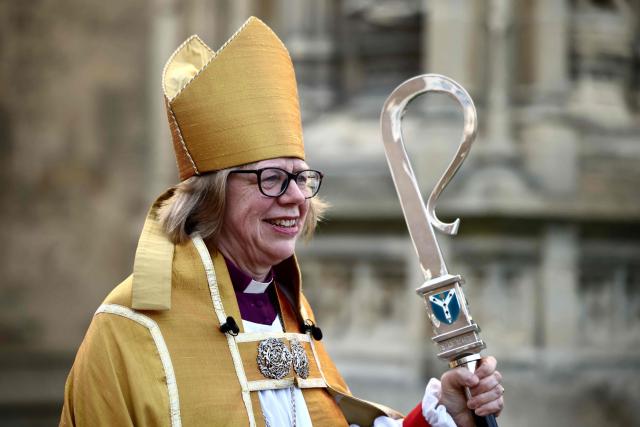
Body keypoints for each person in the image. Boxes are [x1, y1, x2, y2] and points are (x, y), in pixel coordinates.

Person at [60, 17, 504, 427]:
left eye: (301, 178)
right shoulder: (129, 327)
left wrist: (442, 415)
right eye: (272, 178)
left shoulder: (291, 313)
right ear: (211, 194)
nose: (295, 198)